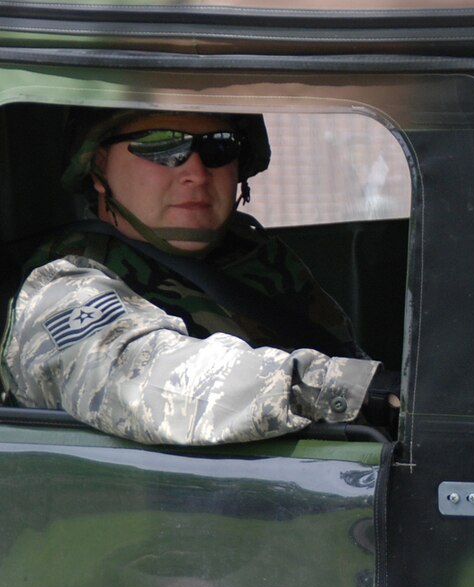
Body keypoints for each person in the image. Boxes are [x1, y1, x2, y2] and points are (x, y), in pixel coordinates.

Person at [0, 107, 385, 445]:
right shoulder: (65, 289)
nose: (196, 172)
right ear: (99, 167)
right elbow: (145, 381)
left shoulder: (261, 263)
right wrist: (334, 386)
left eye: (220, 145)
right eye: (161, 146)